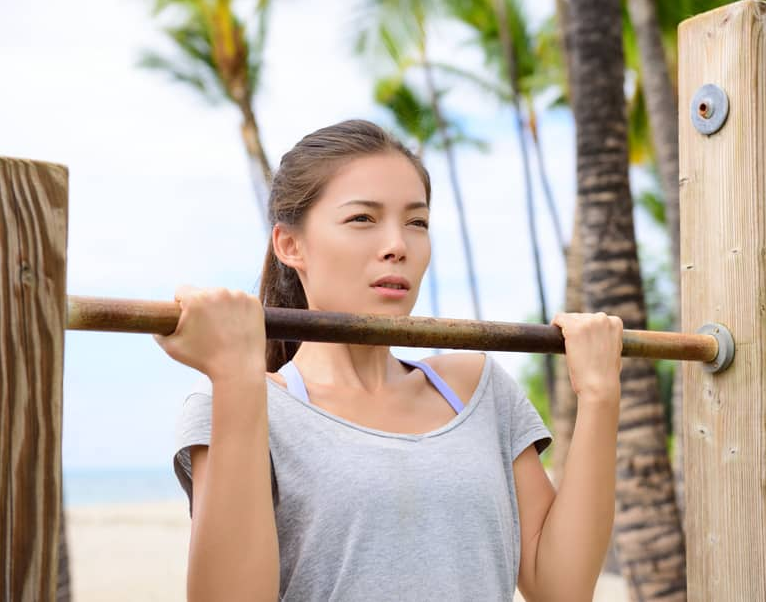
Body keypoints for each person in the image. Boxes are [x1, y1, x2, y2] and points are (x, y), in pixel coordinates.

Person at [157, 119, 623, 602]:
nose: (397, 246)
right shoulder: (243, 404)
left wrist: (599, 394)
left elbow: (561, 589)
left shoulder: (477, 390)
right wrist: (236, 374)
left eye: (416, 222)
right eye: (362, 219)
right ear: (290, 245)